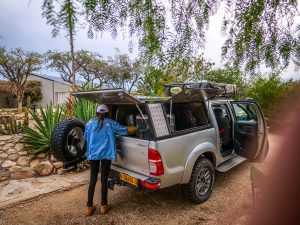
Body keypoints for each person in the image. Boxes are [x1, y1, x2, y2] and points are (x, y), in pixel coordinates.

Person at [84, 104, 137, 216]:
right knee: (104, 179)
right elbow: (124, 131)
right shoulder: (111, 123)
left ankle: (89, 207)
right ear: (107, 113)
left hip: (93, 155)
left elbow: (85, 137)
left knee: (92, 180)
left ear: (97, 113)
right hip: (106, 155)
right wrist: (135, 127)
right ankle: (104, 206)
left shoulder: (89, 123)